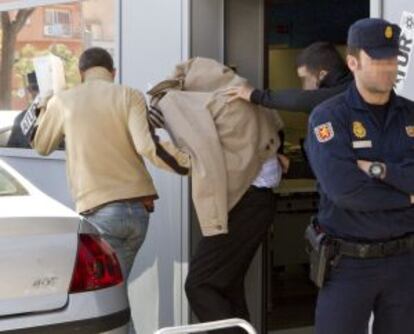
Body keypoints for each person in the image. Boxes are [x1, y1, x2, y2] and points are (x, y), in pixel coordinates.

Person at [30, 47, 191, 332]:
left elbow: (41, 146)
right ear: (112, 72)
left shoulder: (63, 101)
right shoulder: (128, 95)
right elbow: (147, 147)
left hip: (100, 215)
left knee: (107, 304)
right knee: (113, 298)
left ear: (81, 73)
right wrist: (189, 165)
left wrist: (43, 104)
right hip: (139, 213)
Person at [305, 18, 414, 334]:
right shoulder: (329, 117)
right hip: (349, 265)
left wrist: (380, 170)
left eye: (392, 59)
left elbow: (365, 186)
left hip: (405, 263)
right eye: (377, 59)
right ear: (353, 62)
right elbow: (346, 191)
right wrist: (407, 194)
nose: (387, 67)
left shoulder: (410, 115)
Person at [225, 41, 353, 112]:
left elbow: (301, 100)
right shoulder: (348, 88)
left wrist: (255, 95)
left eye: (304, 79)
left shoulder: (348, 92)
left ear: (322, 75)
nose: (303, 86)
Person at [7, 72, 39, 148]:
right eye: (36, 88)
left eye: (43, 88)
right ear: (30, 90)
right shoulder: (20, 119)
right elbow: (11, 151)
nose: (39, 93)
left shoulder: (63, 117)